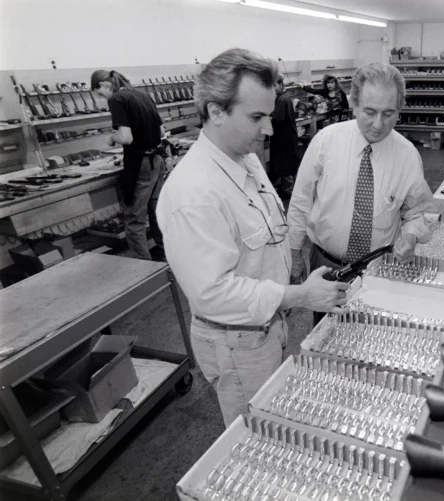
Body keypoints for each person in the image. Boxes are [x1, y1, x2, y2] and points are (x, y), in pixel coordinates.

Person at [156, 48, 349, 426]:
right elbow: (212, 294)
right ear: (215, 111)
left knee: (274, 414)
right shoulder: (193, 193)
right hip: (237, 341)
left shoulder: (243, 159)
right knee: (257, 431)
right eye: (256, 117)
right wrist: (300, 295)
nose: (269, 129)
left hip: (267, 325)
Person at [288, 63, 435, 322]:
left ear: (399, 110)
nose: (378, 124)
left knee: (371, 340)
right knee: (324, 343)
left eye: (389, 113)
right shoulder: (326, 142)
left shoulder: (407, 156)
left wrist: (410, 238)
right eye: (369, 112)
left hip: (379, 270)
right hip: (327, 267)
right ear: (354, 104)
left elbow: (416, 212)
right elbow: (301, 200)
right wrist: (294, 252)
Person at [91, 69, 166, 260]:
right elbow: (162, 132)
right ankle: (167, 253)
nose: (103, 98)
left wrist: (111, 137)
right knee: (157, 212)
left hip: (140, 164)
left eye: (100, 94)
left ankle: (144, 267)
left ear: (104, 85)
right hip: (157, 159)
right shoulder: (142, 95)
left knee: (134, 220)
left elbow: (126, 137)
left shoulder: (116, 99)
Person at [269, 74, 301, 197]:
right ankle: (288, 188)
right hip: (287, 137)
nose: (273, 88)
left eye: (275, 85)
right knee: (288, 163)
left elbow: (278, 118)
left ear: (282, 84)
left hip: (284, 138)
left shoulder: (282, 99)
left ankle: (288, 191)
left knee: (285, 164)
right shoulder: (283, 97)